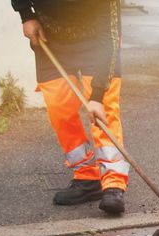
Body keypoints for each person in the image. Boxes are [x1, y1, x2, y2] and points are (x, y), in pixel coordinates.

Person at [13, 0, 129, 215]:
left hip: (97, 42)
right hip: (51, 38)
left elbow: (109, 37)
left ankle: (113, 183)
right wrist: (26, 14)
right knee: (59, 108)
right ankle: (86, 177)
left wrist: (96, 96)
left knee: (105, 110)